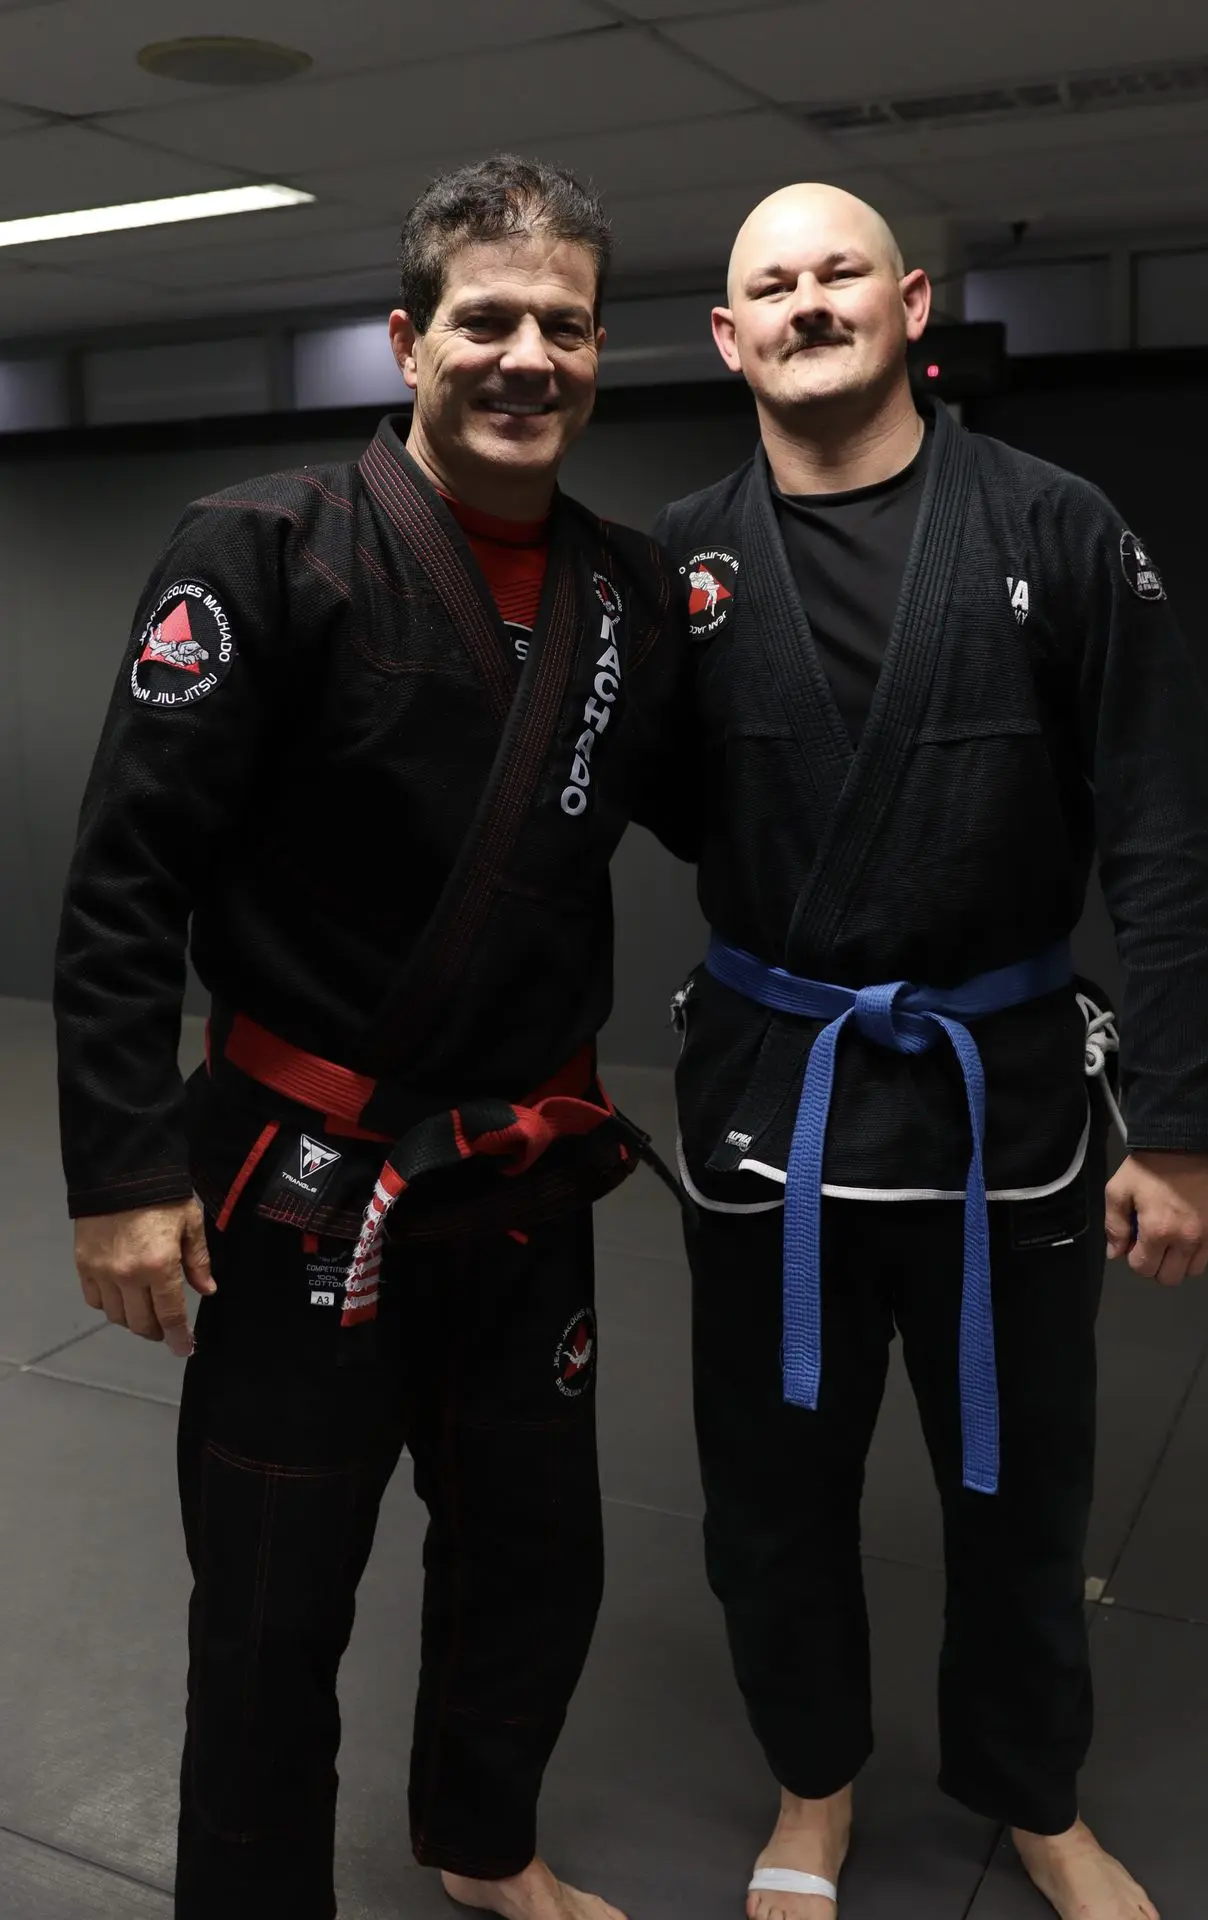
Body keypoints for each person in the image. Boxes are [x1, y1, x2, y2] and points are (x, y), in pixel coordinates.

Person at [54, 154, 695, 1920]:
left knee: (537, 1568)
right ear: (408, 341)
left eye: (562, 326)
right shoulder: (262, 551)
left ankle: (485, 1848)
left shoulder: (633, 596)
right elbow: (125, 885)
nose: (526, 356)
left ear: (597, 352)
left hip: (524, 1180)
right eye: (485, 320)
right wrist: (120, 1172)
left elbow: (726, 815)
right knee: (271, 1608)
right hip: (303, 1183)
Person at [653, 183, 1208, 1920]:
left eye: (841, 272)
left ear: (911, 304)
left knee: (1020, 1484)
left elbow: (1170, 832)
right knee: (771, 1489)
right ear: (728, 334)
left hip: (1012, 1115)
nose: (808, 302)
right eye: (772, 282)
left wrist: (1190, 1124)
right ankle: (813, 1788)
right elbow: (623, 812)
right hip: (777, 1107)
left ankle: (1032, 1795)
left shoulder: (1056, 525)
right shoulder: (680, 562)